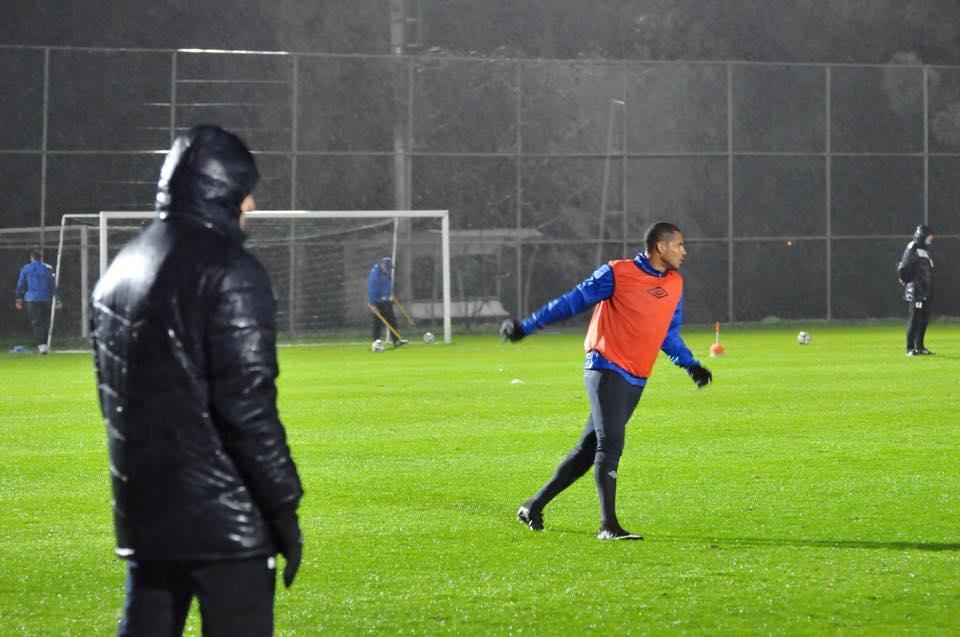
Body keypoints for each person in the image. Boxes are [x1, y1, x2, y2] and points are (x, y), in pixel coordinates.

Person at [90, 125, 304, 637]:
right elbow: (247, 405)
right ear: (224, 190)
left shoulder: (119, 269)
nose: (251, 204)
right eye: (245, 191)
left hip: (146, 518)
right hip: (226, 525)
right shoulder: (230, 270)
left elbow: (114, 403)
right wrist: (283, 507)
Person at [501, 221, 712, 541]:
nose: (684, 251)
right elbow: (571, 301)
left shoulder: (674, 283)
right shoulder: (617, 272)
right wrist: (526, 327)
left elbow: (667, 333)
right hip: (606, 367)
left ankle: (533, 505)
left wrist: (691, 365)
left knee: (588, 450)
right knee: (610, 445)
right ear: (660, 247)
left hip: (637, 377)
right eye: (679, 244)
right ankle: (608, 526)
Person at [898, 224, 935, 356]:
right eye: (929, 235)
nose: (932, 237)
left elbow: (928, 270)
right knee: (915, 319)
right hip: (916, 291)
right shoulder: (913, 247)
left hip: (925, 291)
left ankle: (920, 347)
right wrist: (904, 279)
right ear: (922, 235)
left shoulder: (926, 250)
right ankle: (909, 348)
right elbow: (904, 266)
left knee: (924, 319)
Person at [14, 249, 59, 354]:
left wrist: (19, 298)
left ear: (31, 258)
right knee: (45, 322)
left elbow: (21, 284)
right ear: (41, 258)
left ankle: (41, 347)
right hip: (45, 298)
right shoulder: (47, 268)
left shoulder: (26, 268)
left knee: (36, 323)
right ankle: (45, 345)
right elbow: (52, 285)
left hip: (32, 299)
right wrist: (57, 298)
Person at [367, 256, 407, 347]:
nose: (388, 270)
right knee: (378, 323)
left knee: (392, 321)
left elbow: (387, 284)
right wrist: (373, 304)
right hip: (378, 302)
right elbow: (372, 289)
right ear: (382, 265)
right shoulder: (375, 273)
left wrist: (389, 295)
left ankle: (396, 340)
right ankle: (376, 342)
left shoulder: (386, 273)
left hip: (386, 300)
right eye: (387, 267)